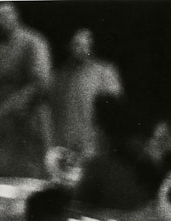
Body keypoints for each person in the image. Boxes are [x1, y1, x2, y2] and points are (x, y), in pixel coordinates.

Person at [0, 3, 53, 178]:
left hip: (29, 120)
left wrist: (11, 104)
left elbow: (39, 84)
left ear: (14, 16)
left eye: (4, 16)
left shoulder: (33, 42)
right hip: (2, 125)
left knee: (30, 175)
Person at [49, 28, 123, 158]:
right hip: (63, 142)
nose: (83, 49)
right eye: (77, 44)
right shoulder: (57, 75)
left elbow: (113, 110)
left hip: (93, 143)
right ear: (68, 46)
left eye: (87, 44)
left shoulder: (105, 72)